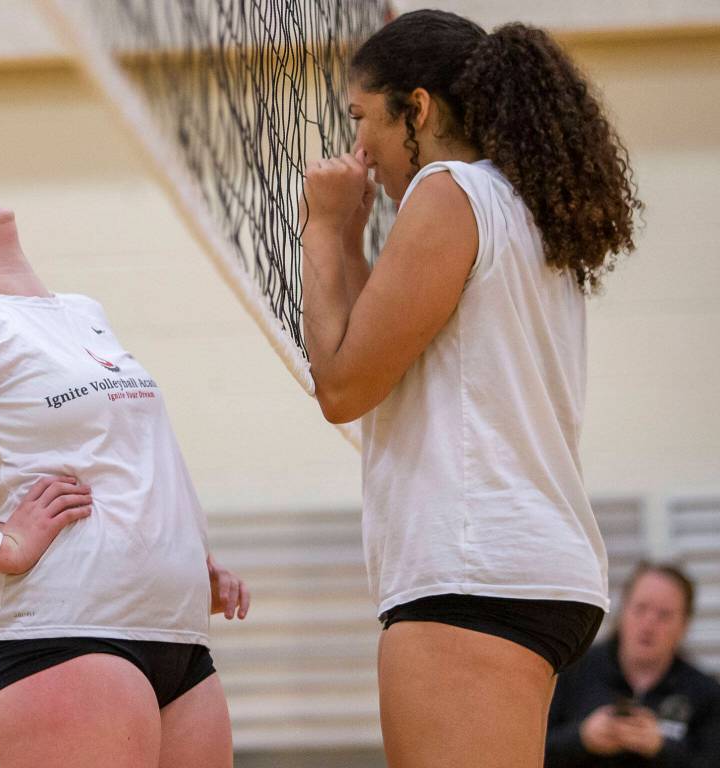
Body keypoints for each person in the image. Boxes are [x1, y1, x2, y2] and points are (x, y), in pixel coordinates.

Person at [298, 10, 642, 767]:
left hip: (473, 573)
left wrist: (321, 232)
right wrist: (349, 241)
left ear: (416, 108)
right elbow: (375, 365)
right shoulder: (517, 202)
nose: (358, 147)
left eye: (362, 118)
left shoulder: (449, 191)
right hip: (519, 569)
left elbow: (343, 387)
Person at [0, 170, 250, 768]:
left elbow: (117, 456)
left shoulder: (81, 313)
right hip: (62, 636)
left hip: (177, 636)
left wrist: (180, 556)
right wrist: (0, 546)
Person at [546, 562, 720, 766]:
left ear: (684, 625)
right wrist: (582, 738)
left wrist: (661, 747)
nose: (649, 624)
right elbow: (530, 748)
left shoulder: (706, 693)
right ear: (622, 612)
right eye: (640, 608)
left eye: (664, 615)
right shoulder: (571, 671)